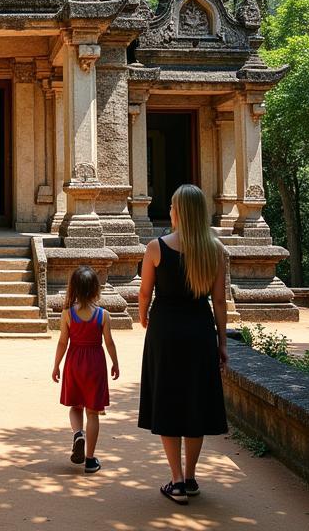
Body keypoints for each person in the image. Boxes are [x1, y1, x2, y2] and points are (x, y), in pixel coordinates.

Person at [138, 183, 228, 505]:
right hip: (200, 330)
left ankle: (175, 480)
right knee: (195, 401)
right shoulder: (215, 250)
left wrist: (143, 317)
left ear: (178, 212)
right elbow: (218, 302)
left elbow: (145, 294)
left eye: (173, 207)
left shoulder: (156, 248)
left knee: (168, 399)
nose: (171, 212)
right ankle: (190, 477)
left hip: (165, 330)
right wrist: (222, 342)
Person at [52, 265, 120, 474]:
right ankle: (90, 460)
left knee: (75, 406)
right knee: (93, 412)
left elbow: (63, 342)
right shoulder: (103, 315)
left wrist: (56, 365)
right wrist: (115, 363)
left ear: (73, 288)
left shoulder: (67, 314)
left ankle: (77, 434)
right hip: (95, 364)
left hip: (74, 361)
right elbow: (109, 342)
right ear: (95, 290)